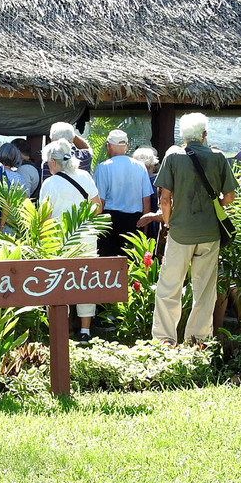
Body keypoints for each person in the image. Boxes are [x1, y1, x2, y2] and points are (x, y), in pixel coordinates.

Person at [142, 112, 237, 345]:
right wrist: (212, 205)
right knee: (204, 290)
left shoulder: (173, 156)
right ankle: (198, 340)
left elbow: (164, 199)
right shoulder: (218, 157)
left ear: (183, 135)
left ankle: (164, 340)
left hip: (180, 232)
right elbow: (230, 197)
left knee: (169, 288)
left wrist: (168, 221)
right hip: (209, 232)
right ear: (204, 134)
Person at [38, 138, 103, 343]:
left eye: (48, 162)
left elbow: (44, 219)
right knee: (86, 283)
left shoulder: (49, 184)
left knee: (59, 284)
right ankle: (85, 331)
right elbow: (97, 208)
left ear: (54, 162)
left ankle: (61, 330)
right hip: (86, 237)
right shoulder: (85, 176)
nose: (48, 165)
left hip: (60, 241)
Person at [93, 129, 153, 257]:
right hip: (135, 221)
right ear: (127, 146)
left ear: (108, 146)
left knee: (109, 265)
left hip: (109, 222)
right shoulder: (140, 167)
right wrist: (145, 232)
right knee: (132, 266)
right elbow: (146, 200)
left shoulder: (103, 167)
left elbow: (100, 202)